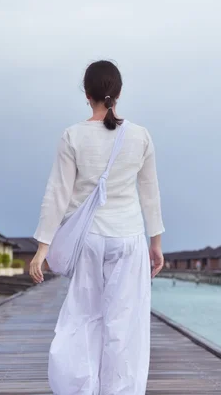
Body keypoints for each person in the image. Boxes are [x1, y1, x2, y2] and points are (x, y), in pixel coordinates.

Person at [29, 60, 165, 395]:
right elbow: (150, 193)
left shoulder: (72, 136)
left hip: (88, 239)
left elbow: (57, 194)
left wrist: (42, 248)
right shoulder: (140, 136)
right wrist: (156, 243)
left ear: (87, 95)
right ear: (117, 95)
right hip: (129, 239)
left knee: (82, 319)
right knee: (125, 326)